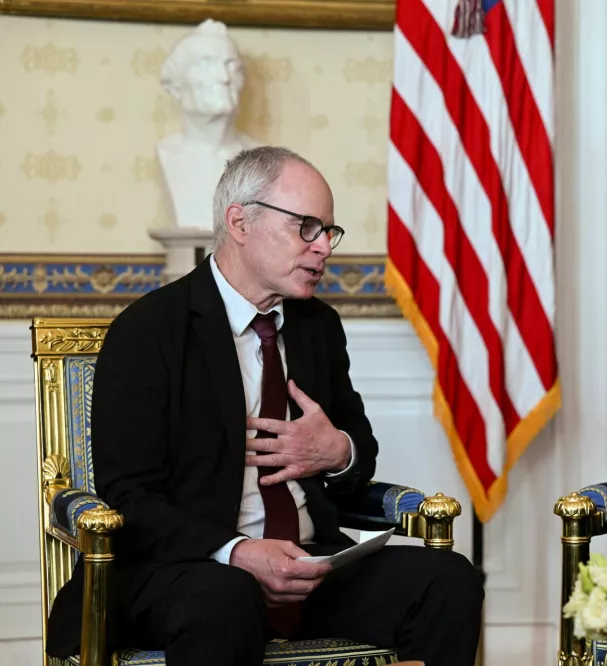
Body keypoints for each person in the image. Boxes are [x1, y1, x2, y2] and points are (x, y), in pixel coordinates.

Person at [46, 145, 484, 666]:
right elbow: (130, 495)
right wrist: (238, 553)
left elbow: (359, 452)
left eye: (328, 231)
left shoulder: (318, 327)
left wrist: (335, 451)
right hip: (185, 570)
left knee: (449, 579)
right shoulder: (149, 331)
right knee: (225, 597)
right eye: (307, 227)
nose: (323, 247)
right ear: (240, 222)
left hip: (310, 564)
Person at [157, 18, 258, 231]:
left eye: (231, 66)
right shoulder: (167, 154)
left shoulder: (259, 160)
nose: (224, 77)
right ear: (175, 85)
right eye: (206, 64)